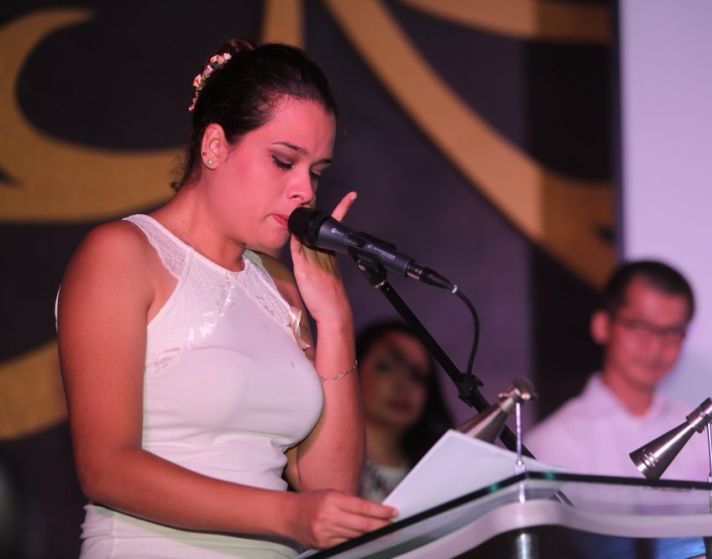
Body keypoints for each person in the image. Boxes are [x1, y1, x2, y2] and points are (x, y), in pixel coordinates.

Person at [56, 39, 396, 558]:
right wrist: (286, 514)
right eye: (284, 161)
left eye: (317, 172)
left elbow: (331, 488)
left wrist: (336, 319)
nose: (305, 191)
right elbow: (106, 468)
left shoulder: (285, 289)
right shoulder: (124, 254)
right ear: (214, 146)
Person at [526, 260, 712, 482]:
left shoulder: (702, 437)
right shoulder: (557, 440)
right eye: (641, 327)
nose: (656, 347)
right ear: (602, 325)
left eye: (672, 332)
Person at [355, 321, 454, 502]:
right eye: (387, 367)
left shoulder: (440, 474)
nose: (403, 386)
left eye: (417, 375)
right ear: (353, 371)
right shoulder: (327, 465)